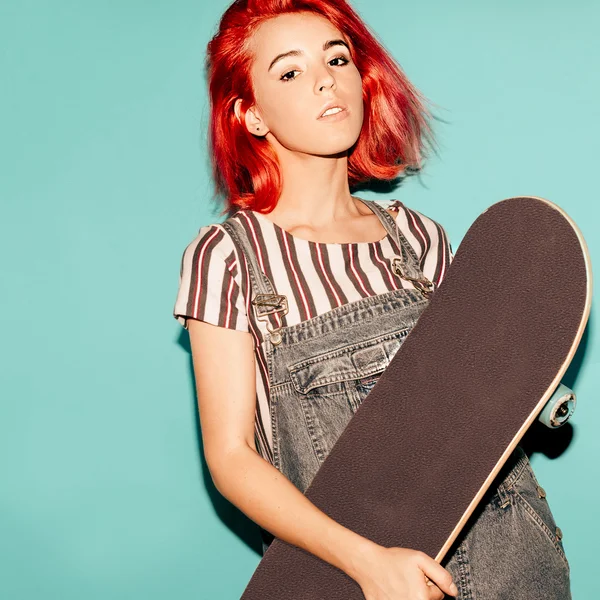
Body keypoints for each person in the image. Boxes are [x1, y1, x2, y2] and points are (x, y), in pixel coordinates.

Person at [173, 1, 572, 598]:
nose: (326, 80)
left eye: (337, 59)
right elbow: (230, 459)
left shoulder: (420, 240)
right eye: (290, 72)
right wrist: (366, 562)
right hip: (365, 580)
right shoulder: (231, 257)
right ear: (251, 115)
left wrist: (529, 381)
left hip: (516, 561)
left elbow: (475, 401)